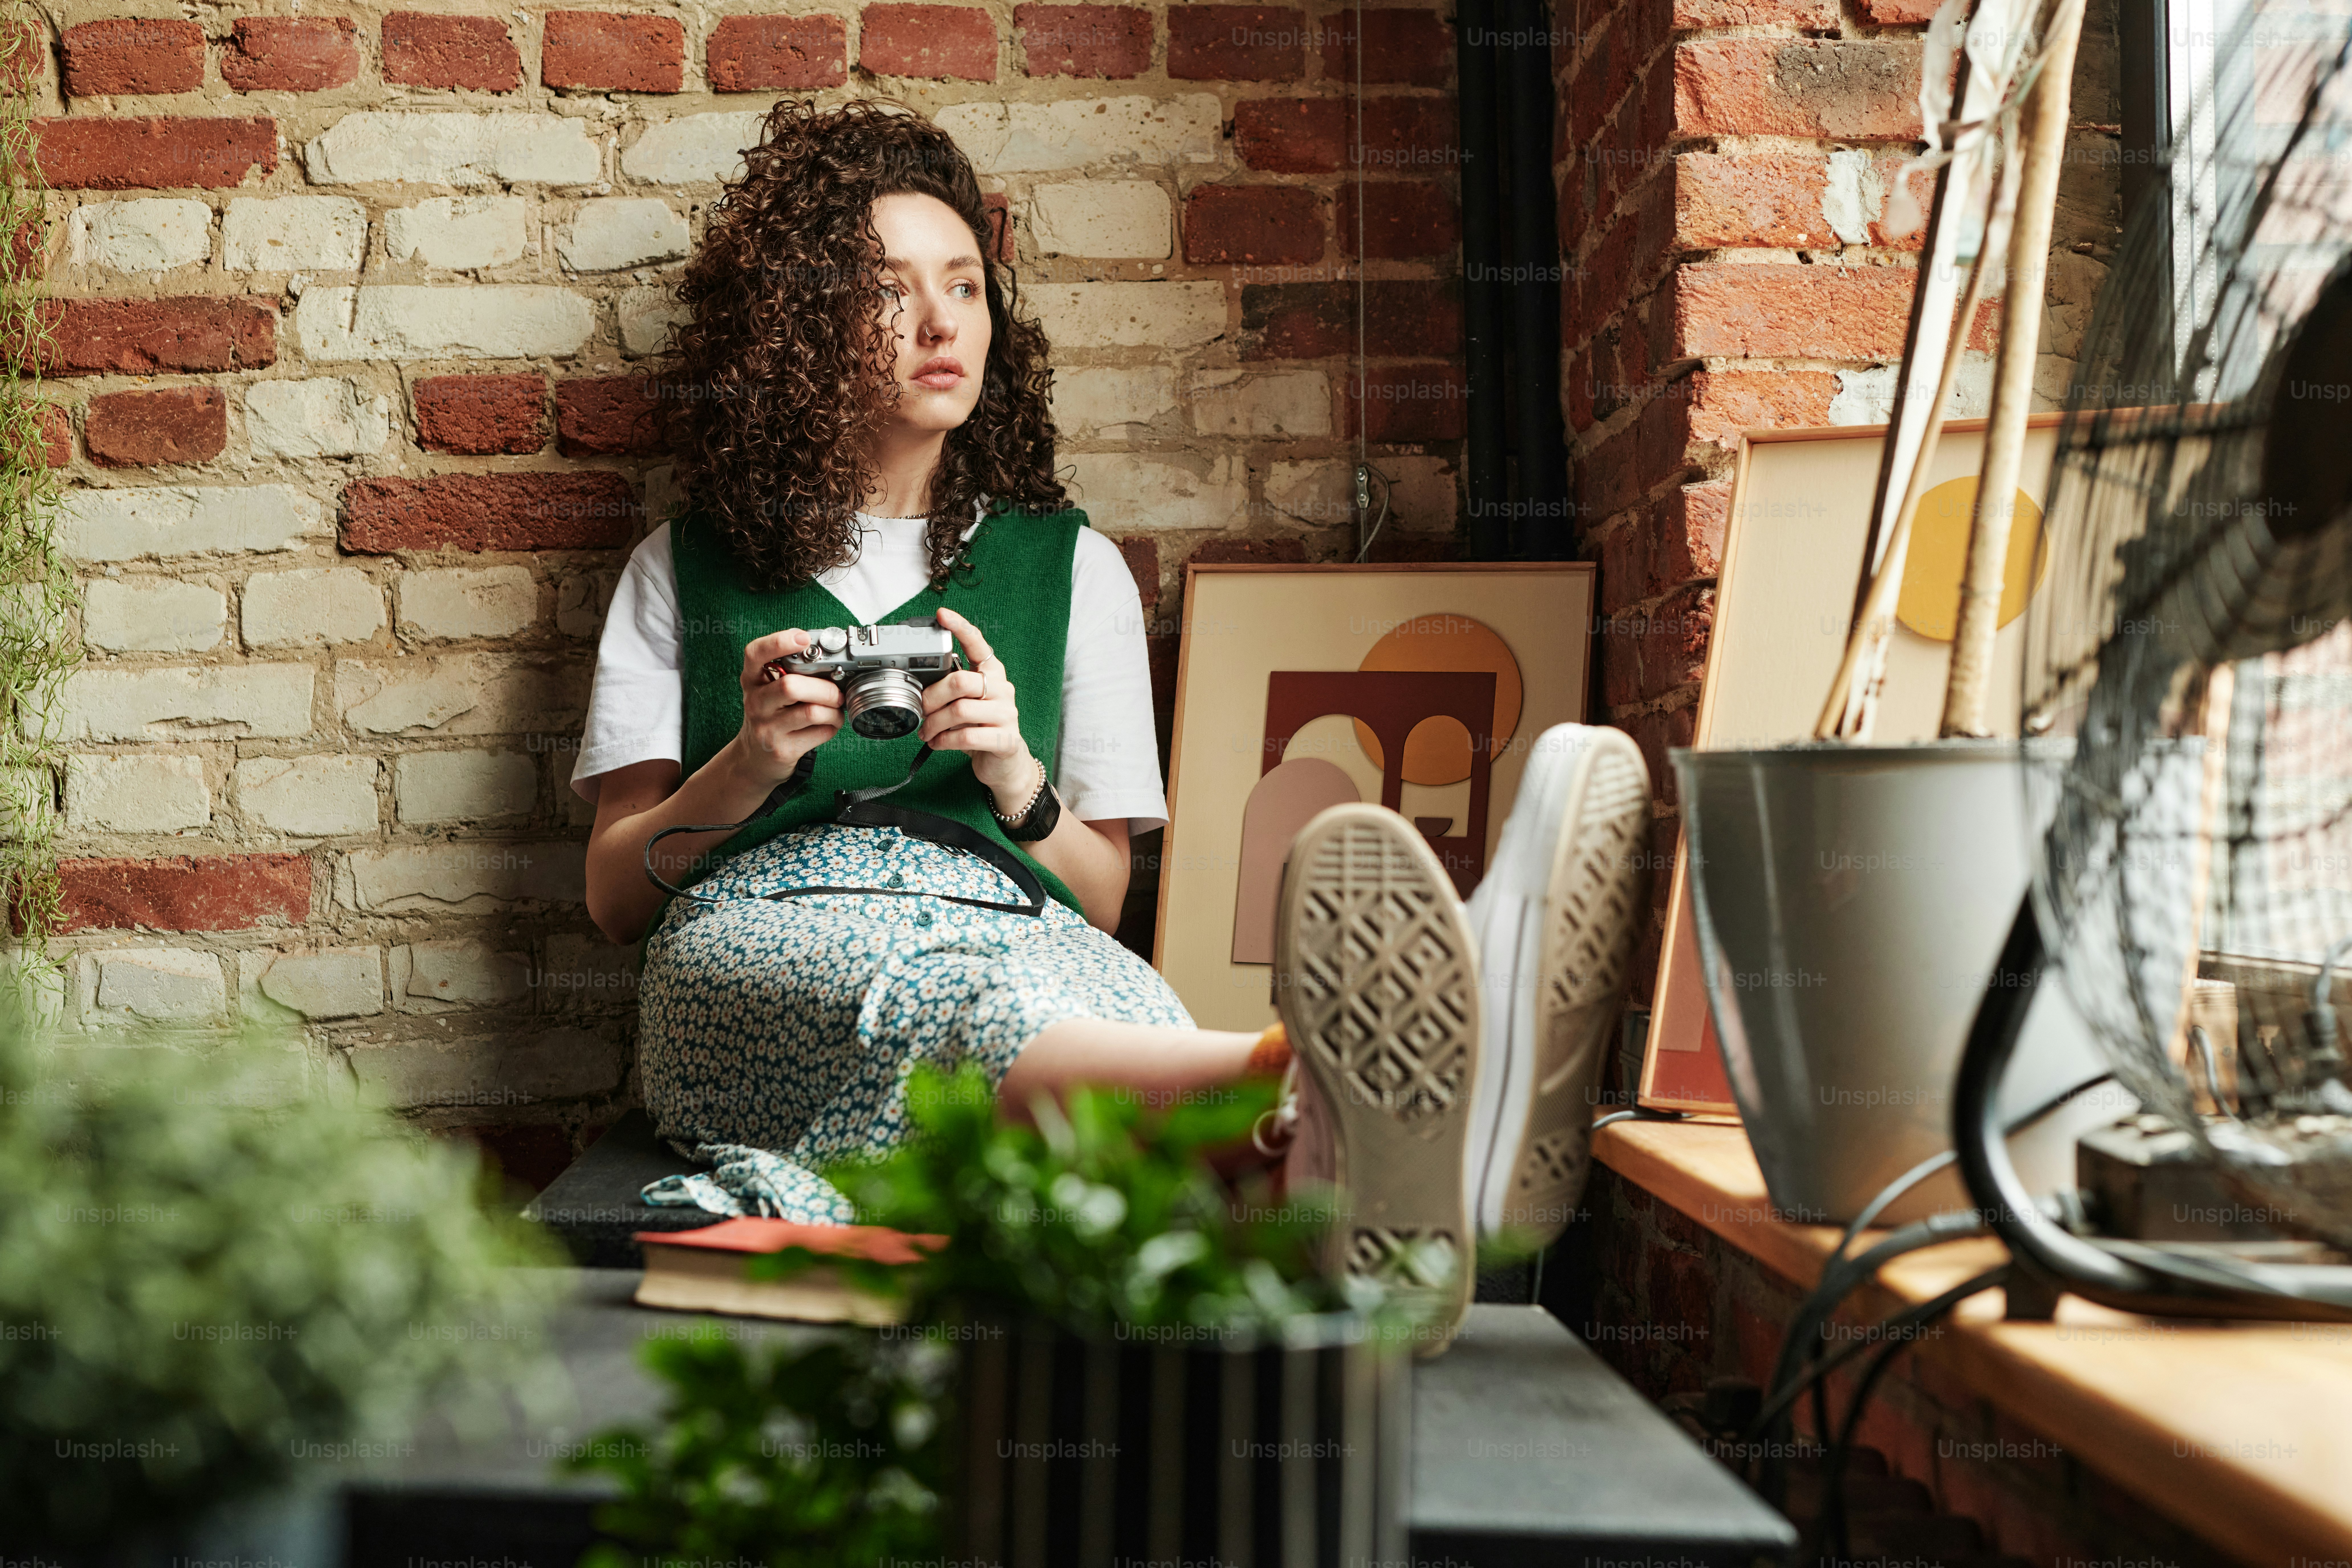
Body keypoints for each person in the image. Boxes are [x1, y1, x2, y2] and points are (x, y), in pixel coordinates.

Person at [569, 99, 1652, 1338]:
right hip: (760, 941)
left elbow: (1098, 899)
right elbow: (614, 896)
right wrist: (749, 763)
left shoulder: (1069, 567)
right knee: (941, 1003)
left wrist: (1015, 773)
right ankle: (1363, 1074)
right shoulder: (679, 567)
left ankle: (1334, 1178)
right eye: (888, 293)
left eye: (967, 287)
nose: (941, 325)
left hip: (1017, 919)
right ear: (802, 331)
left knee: (1125, 1009)